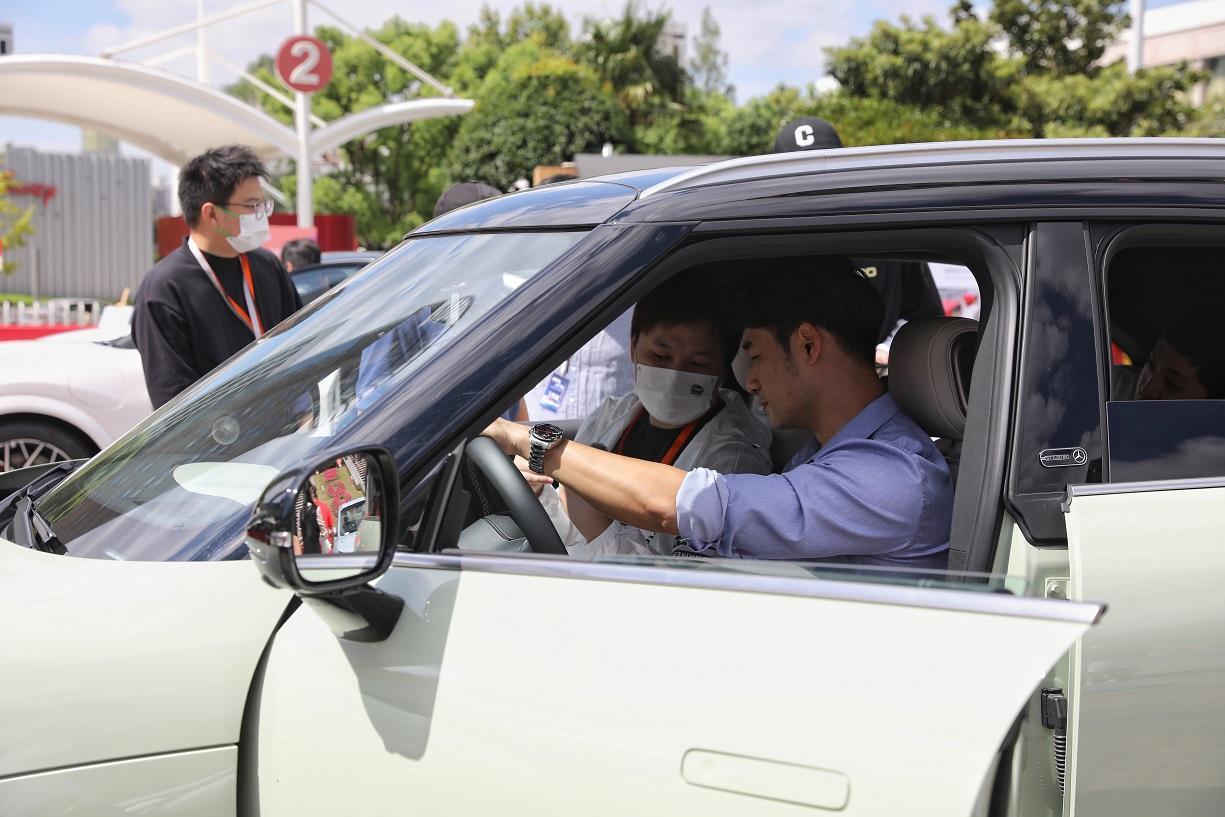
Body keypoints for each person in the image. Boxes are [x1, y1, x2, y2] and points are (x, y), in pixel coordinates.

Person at [486, 257, 953, 568]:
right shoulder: (827, 453)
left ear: (808, 345)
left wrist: (530, 441)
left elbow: (680, 505)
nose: (749, 382)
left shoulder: (887, 477)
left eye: (756, 357)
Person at [522, 270, 772, 557]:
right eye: (660, 356)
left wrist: (600, 529)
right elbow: (570, 527)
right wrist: (541, 494)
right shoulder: (612, 415)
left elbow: (690, 575)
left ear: (723, 368)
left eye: (698, 363)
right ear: (633, 348)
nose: (675, 374)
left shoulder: (733, 460)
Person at [133, 145, 301, 409]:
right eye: (251, 206)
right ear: (211, 214)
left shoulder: (267, 266)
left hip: (284, 424)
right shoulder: (164, 288)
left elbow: (299, 343)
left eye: (262, 205)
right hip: (221, 433)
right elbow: (172, 398)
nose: (261, 215)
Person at [773, 118, 944, 366]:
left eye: (824, 170)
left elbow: (927, 319)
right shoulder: (767, 246)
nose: (814, 186)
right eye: (800, 176)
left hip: (876, 378)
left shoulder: (885, 233)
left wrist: (888, 349)